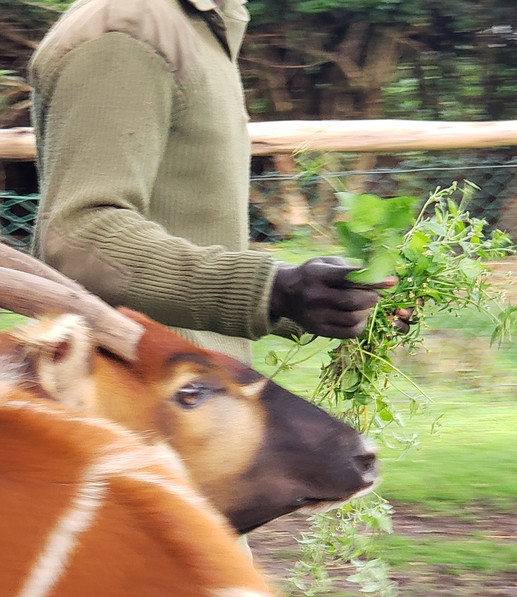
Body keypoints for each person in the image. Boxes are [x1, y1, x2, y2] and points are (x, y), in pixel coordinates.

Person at [28, 0, 391, 366]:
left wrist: (323, 297)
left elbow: (194, 232)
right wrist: (273, 288)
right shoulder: (130, 29)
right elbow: (79, 239)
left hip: (189, 394)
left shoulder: (198, 26)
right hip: (131, 401)